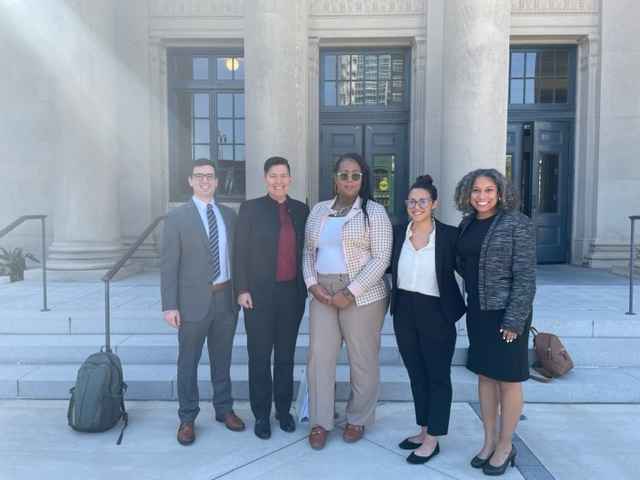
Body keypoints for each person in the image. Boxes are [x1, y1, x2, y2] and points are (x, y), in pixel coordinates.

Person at [303, 152, 392, 450]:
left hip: (362, 294)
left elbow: (381, 259)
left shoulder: (374, 212)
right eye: (344, 174)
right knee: (319, 356)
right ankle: (320, 420)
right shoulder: (318, 210)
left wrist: (350, 292)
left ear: (362, 179)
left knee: (362, 358)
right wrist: (312, 284)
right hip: (322, 292)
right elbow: (307, 253)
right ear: (334, 177)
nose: (349, 180)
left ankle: (358, 418)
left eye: (355, 175)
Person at [454, 168, 536, 475]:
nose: (482, 196)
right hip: (478, 311)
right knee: (485, 377)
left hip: (507, 315)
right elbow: (465, 264)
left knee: (508, 380)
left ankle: (505, 445)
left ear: (500, 193)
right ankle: (488, 442)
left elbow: (526, 276)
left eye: (489, 190)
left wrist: (515, 319)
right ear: (468, 193)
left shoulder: (517, 223)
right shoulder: (467, 223)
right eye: (476, 190)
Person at [160, 158, 245, 446]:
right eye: (199, 176)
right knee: (188, 362)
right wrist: (170, 305)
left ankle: (224, 409)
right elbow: (168, 265)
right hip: (191, 303)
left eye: (210, 176)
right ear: (190, 181)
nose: (205, 181)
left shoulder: (229, 215)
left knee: (222, 360)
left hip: (225, 299)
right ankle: (187, 417)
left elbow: (237, 259)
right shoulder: (176, 218)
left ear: (217, 181)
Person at [389, 175, 466, 464]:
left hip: (437, 311)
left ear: (434, 204)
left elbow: (468, 267)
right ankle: (423, 429)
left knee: (437, 375)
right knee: (416, 373)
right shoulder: (398, 233)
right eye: (412, 201)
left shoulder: (448, 235)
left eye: (423, 201)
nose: (416, 205)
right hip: (405, 309)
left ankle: (433, 437)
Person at [234, 156, 309, 440]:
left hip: (291, 294)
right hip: (258, 296)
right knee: (260, 356)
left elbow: (308, 250)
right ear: (266, 179)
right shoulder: (251, 209)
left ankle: (283, 410)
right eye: (273, 176)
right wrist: (242, 289)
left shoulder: (301, 210)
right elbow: (239, 251)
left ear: (290, 179)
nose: (279, 181)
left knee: (286, 356)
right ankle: (262, 414)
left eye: (283, 176)